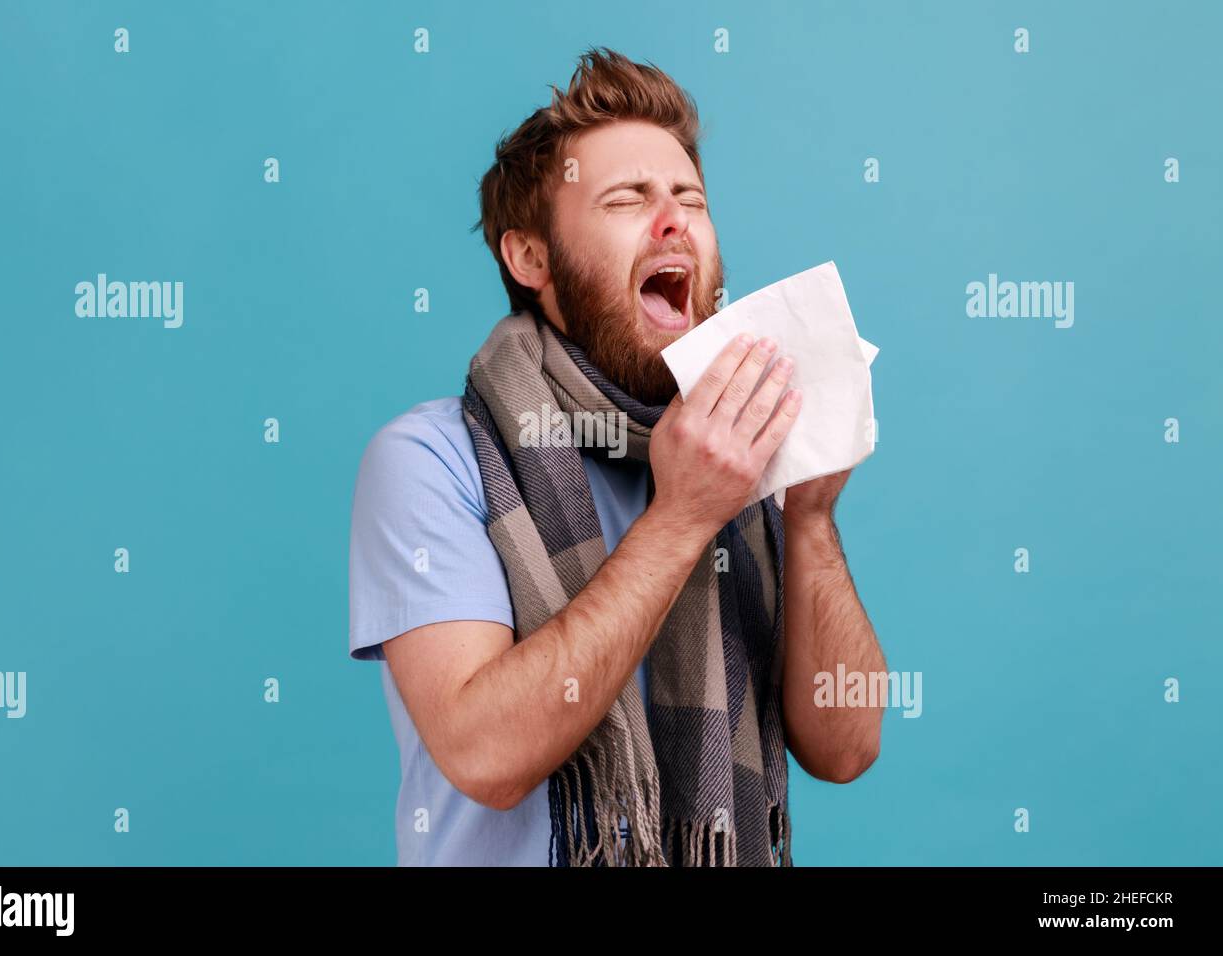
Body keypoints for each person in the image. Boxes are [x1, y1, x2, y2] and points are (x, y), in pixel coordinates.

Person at [349, 47, 885, 866]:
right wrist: (682, 518)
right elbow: (485, 757)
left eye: (689, 200)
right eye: (627, 199)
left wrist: (810, 516)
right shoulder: (431, 460)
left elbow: (845, 749)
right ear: (530, 258)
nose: (672, 221)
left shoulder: (738, 450)